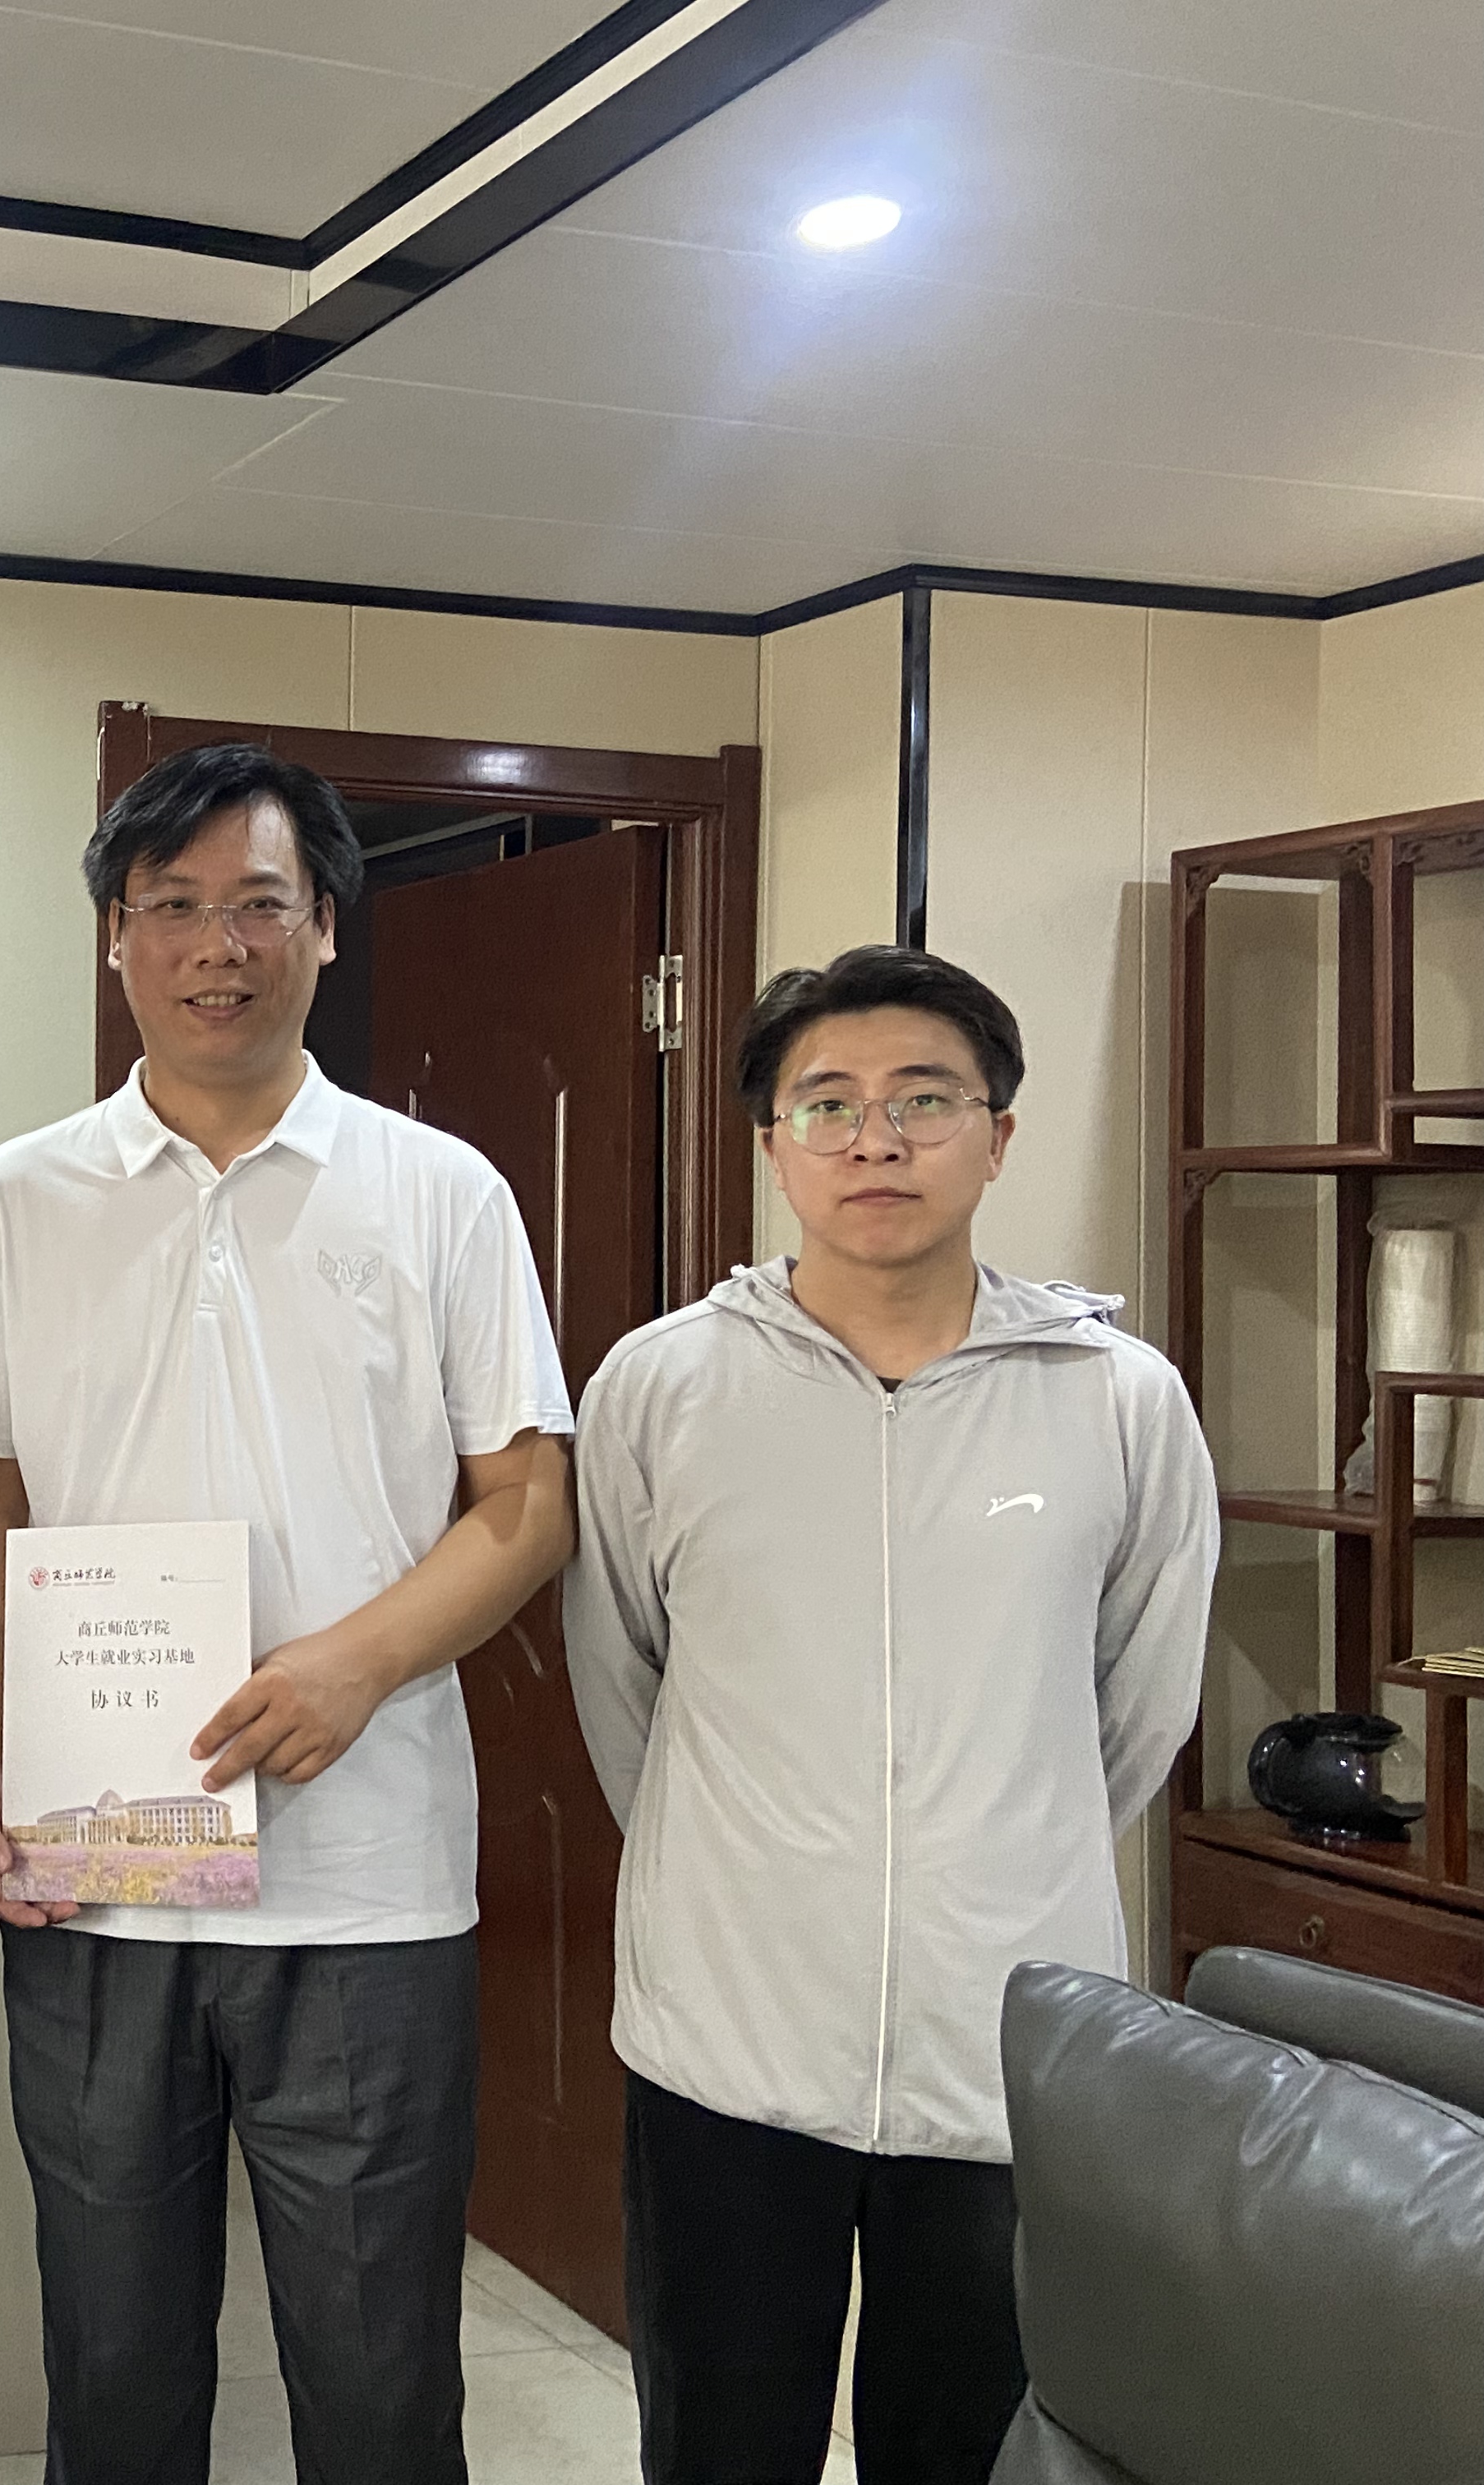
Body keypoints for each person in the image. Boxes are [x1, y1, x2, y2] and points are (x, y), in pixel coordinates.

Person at [0, 742, 577, 2485]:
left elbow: (528, 1499)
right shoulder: (19, 1197)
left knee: (379, 2384)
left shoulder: (440, 1190)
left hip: (367, 1885)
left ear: (328, 927)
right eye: (174, 907)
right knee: (115, 2368)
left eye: (261, 905)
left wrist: (360, 1661)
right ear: (116, 938)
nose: (220, 946)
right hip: (97, 1868)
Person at [562, 944, 1216, 2485]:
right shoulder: (661, 1389)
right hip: (727, 2036)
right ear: (771, 1143)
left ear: (998, 1135)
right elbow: (624, 1686)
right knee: (722, 2444)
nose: (877, 1141)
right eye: (829, 1105)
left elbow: (1137, 1705)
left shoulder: (1119, 1399)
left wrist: (995, 1852)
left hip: (1006, 2042)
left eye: (926, 1101)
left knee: (970, 2448)